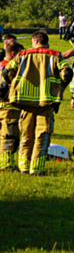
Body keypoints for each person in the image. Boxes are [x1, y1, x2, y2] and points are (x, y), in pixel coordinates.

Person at [2, 31, 72, 175]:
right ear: (46, 42)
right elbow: (67, 73)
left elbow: (6, 72)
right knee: (42, 135)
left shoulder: (22, 55)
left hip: (24, 102)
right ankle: (37, 168)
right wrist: (60, 89)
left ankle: (24, 167)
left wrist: (13, 86)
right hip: (45, 102)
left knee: (26, 136)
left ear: (34, 41)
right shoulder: (55, 55)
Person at [0, 42, 23, 171]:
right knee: (9, 136)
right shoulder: (10, 69)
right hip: (9, 107)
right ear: (14, 54)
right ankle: (7, 164)